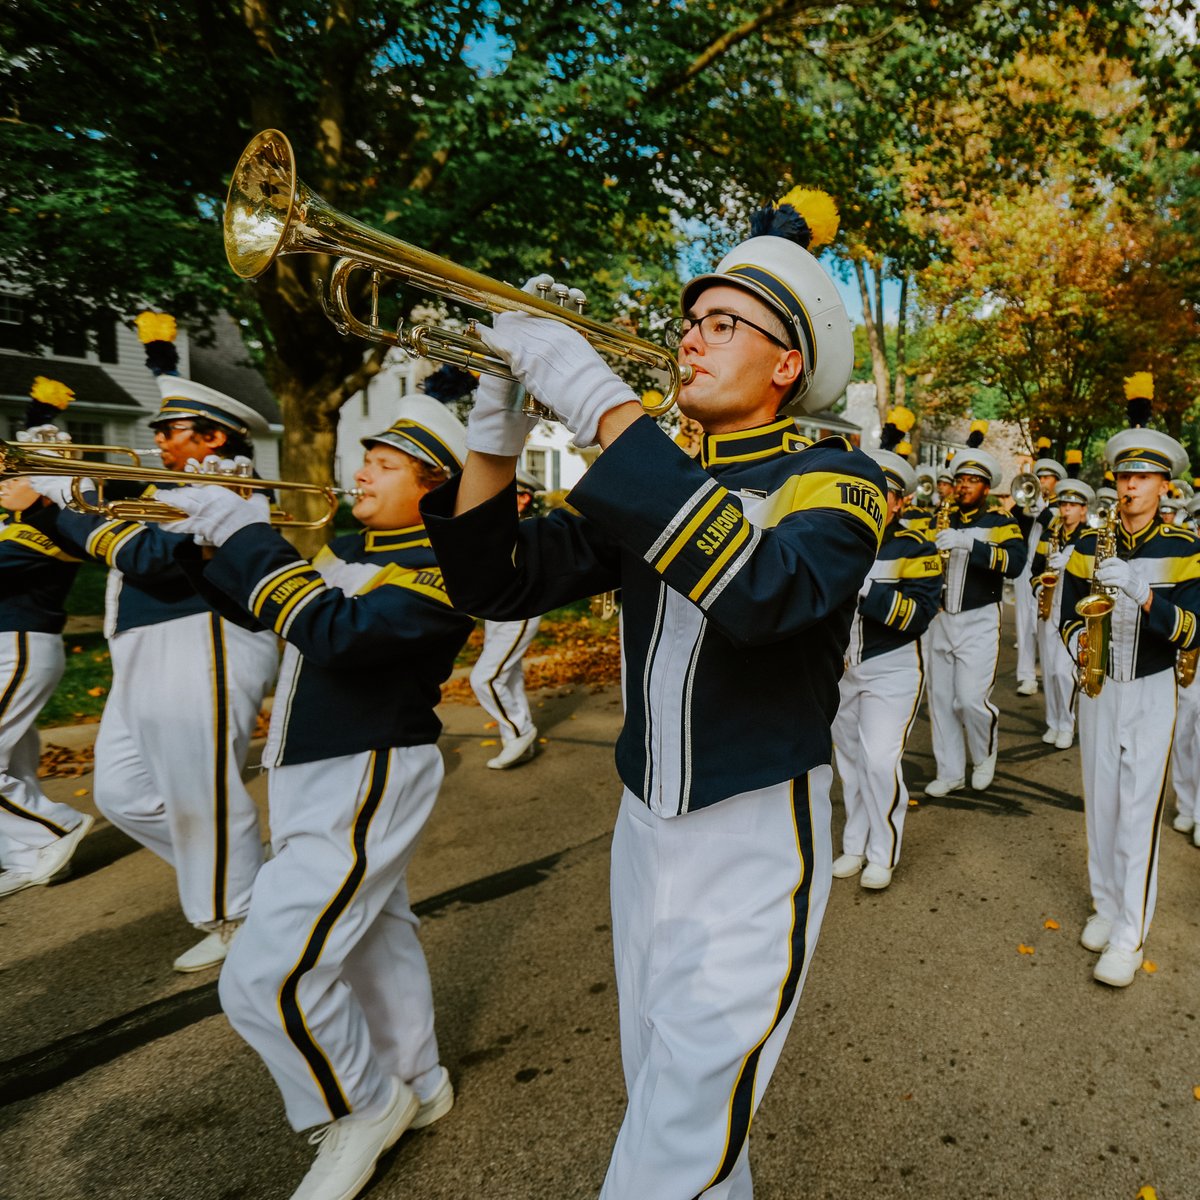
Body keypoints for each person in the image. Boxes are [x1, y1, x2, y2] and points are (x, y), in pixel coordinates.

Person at [422, 192, 885, 1198]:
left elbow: (770, 596)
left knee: (677, 1138)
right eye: (691, 323)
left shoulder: (835, 481)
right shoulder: (653, 480)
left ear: (789, 363)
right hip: (643, 826)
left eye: (726, 324)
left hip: (755, 834)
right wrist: (496, 423)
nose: (691, 340)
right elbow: (494, 581)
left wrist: (601, 407)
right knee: (676, 1105)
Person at [161, 397, 474, 1200]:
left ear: (434, 485)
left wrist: (249, 536)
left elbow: (339, 634)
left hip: (363, 770)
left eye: (386, 461)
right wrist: (211, 542)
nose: (361, 468)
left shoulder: (440, 564)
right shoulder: (354, 548)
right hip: (325, 769)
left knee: (265, 979)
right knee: (375, 939)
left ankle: (364, 1107)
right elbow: (272, 613)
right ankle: (418, 1079)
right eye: (366, 455)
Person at [22, 376, 281, 971]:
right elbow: (102, 537)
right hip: (143, 645)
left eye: (172, 431)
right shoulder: (163, 486)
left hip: (203, 636)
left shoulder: (231, 486)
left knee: (201, 791)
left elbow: (150, 557)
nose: (159, 441)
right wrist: (47, 488)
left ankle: (241, 915)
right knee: (122, 793)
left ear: (215, 435)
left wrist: (43, 505)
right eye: (159, 431)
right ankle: (245, 878)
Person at [1059, 388, 1200, 987]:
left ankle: (1128, 933)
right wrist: (1078, 648)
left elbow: (1195, 629)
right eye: (1122, 477)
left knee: (1138, 811)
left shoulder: (1186, 550)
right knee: (1102, 804)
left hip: (1150, 687)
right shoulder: (1090, 545)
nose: (1129, 488)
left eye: (1142, 479)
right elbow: (1067, 614)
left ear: (1164, 487)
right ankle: (1105, 903)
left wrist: (1144, 596)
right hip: (1099, 687)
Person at [831, 445, 940, 890]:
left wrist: (865, 590)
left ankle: (883, 851)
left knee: (879, 761)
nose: (878, 498)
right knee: (850, 763)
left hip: (890, 666)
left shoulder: (918, 546)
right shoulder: (837, 535)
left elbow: (918, 615)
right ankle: (854, 844)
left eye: (887, 492)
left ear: (900, 502)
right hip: (842, 666)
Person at [0, 384, 93, 897]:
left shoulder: (54, 520)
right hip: (11, 643)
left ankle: (56, 826)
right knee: (11, 761)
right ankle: (30, 852)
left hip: (20, 643)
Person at [926, 440, 1027, 796]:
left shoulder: (999, 521)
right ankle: (950, 770)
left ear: (986, 487)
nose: (964, 485)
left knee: (970, 699)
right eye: (961, 479)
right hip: (939, 619)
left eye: (973, 480)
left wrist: (971, 546)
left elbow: (1015, 563)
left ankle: (984, 754)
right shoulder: (941, 518)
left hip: (978, 618)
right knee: (940, 701)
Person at [469, 470, 545, 769]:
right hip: (498, 611)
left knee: (485, 678)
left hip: (519, 611)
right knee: (508, 677)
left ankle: (519, 733)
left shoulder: (525, 528)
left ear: (523, 498)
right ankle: (516, 739)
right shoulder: (496, 524)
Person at [1028, 476, 1093, 749]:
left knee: (1063, 673)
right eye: (1063, 504)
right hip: (1048, 608)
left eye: (1072, 505)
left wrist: (1071, 560)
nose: (1066, 509)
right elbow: (1034, 571)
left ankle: (1067, 724)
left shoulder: (1090, 540)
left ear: (1083, 510)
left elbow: (1095, 579)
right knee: (1049, 671)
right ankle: (1052, 721)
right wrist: (1039, 589)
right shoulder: (1048, 535)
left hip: (1072, 614)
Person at [1013, 451, 1067, 696]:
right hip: (1026, 566)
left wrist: (1040, 507)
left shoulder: (1061, 506)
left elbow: (1054, 524)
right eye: (1040, 477)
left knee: (1046, 621)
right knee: (1024, 621)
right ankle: (1026, 676)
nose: (1042, 481)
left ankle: (1049, 673)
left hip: (1050, 569)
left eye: (1047, 478)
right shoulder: (1027, 503)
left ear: (1057, 481)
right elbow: (1015, 518)